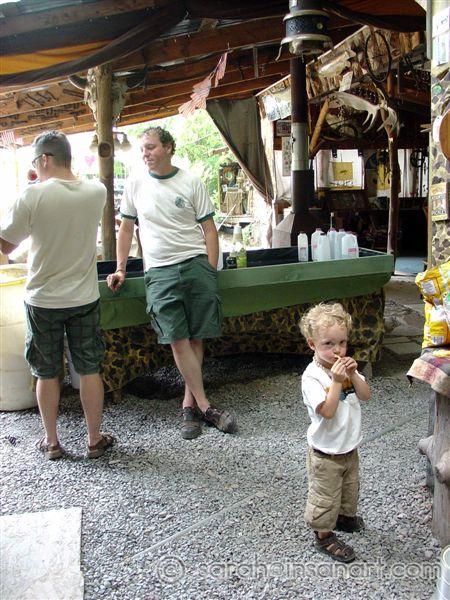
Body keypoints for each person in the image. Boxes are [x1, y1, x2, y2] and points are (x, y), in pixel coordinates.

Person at [107, 126, 237, 440]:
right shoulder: (136, 184)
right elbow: (126, 230)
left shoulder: (191, 181)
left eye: (151, 147)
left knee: (196, 337)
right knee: (177, 339)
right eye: (142, 149)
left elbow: (209, 230)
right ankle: (206, 406)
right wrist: (120, 268)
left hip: (195, 265)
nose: (145, 154)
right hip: (159, 271)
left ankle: (188, 406)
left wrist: (209, 270)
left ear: (168, 147)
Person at [0, 131, 114, 460]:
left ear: (45, 159)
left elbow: (6, 244)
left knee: (46, 371)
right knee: (89, 368)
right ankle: (94, 440)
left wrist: (29, 192)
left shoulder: (31, 196)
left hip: (43, 300)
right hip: (83, 298)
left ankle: (51, 442)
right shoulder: (97, 191)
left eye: (36, 162)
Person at [299, 302, 370, 562]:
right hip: (326, 452)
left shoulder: (346, 369)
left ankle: (343, 517)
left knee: (349, 488)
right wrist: (338, 382)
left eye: (342, 343)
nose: (337, 350)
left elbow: (365, 395)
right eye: (328, 344)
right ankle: (323, 535)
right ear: (312, 344)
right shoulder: (312, 378)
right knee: (325, 496)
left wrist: (354, 375)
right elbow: (327, 411)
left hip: (349, 446)